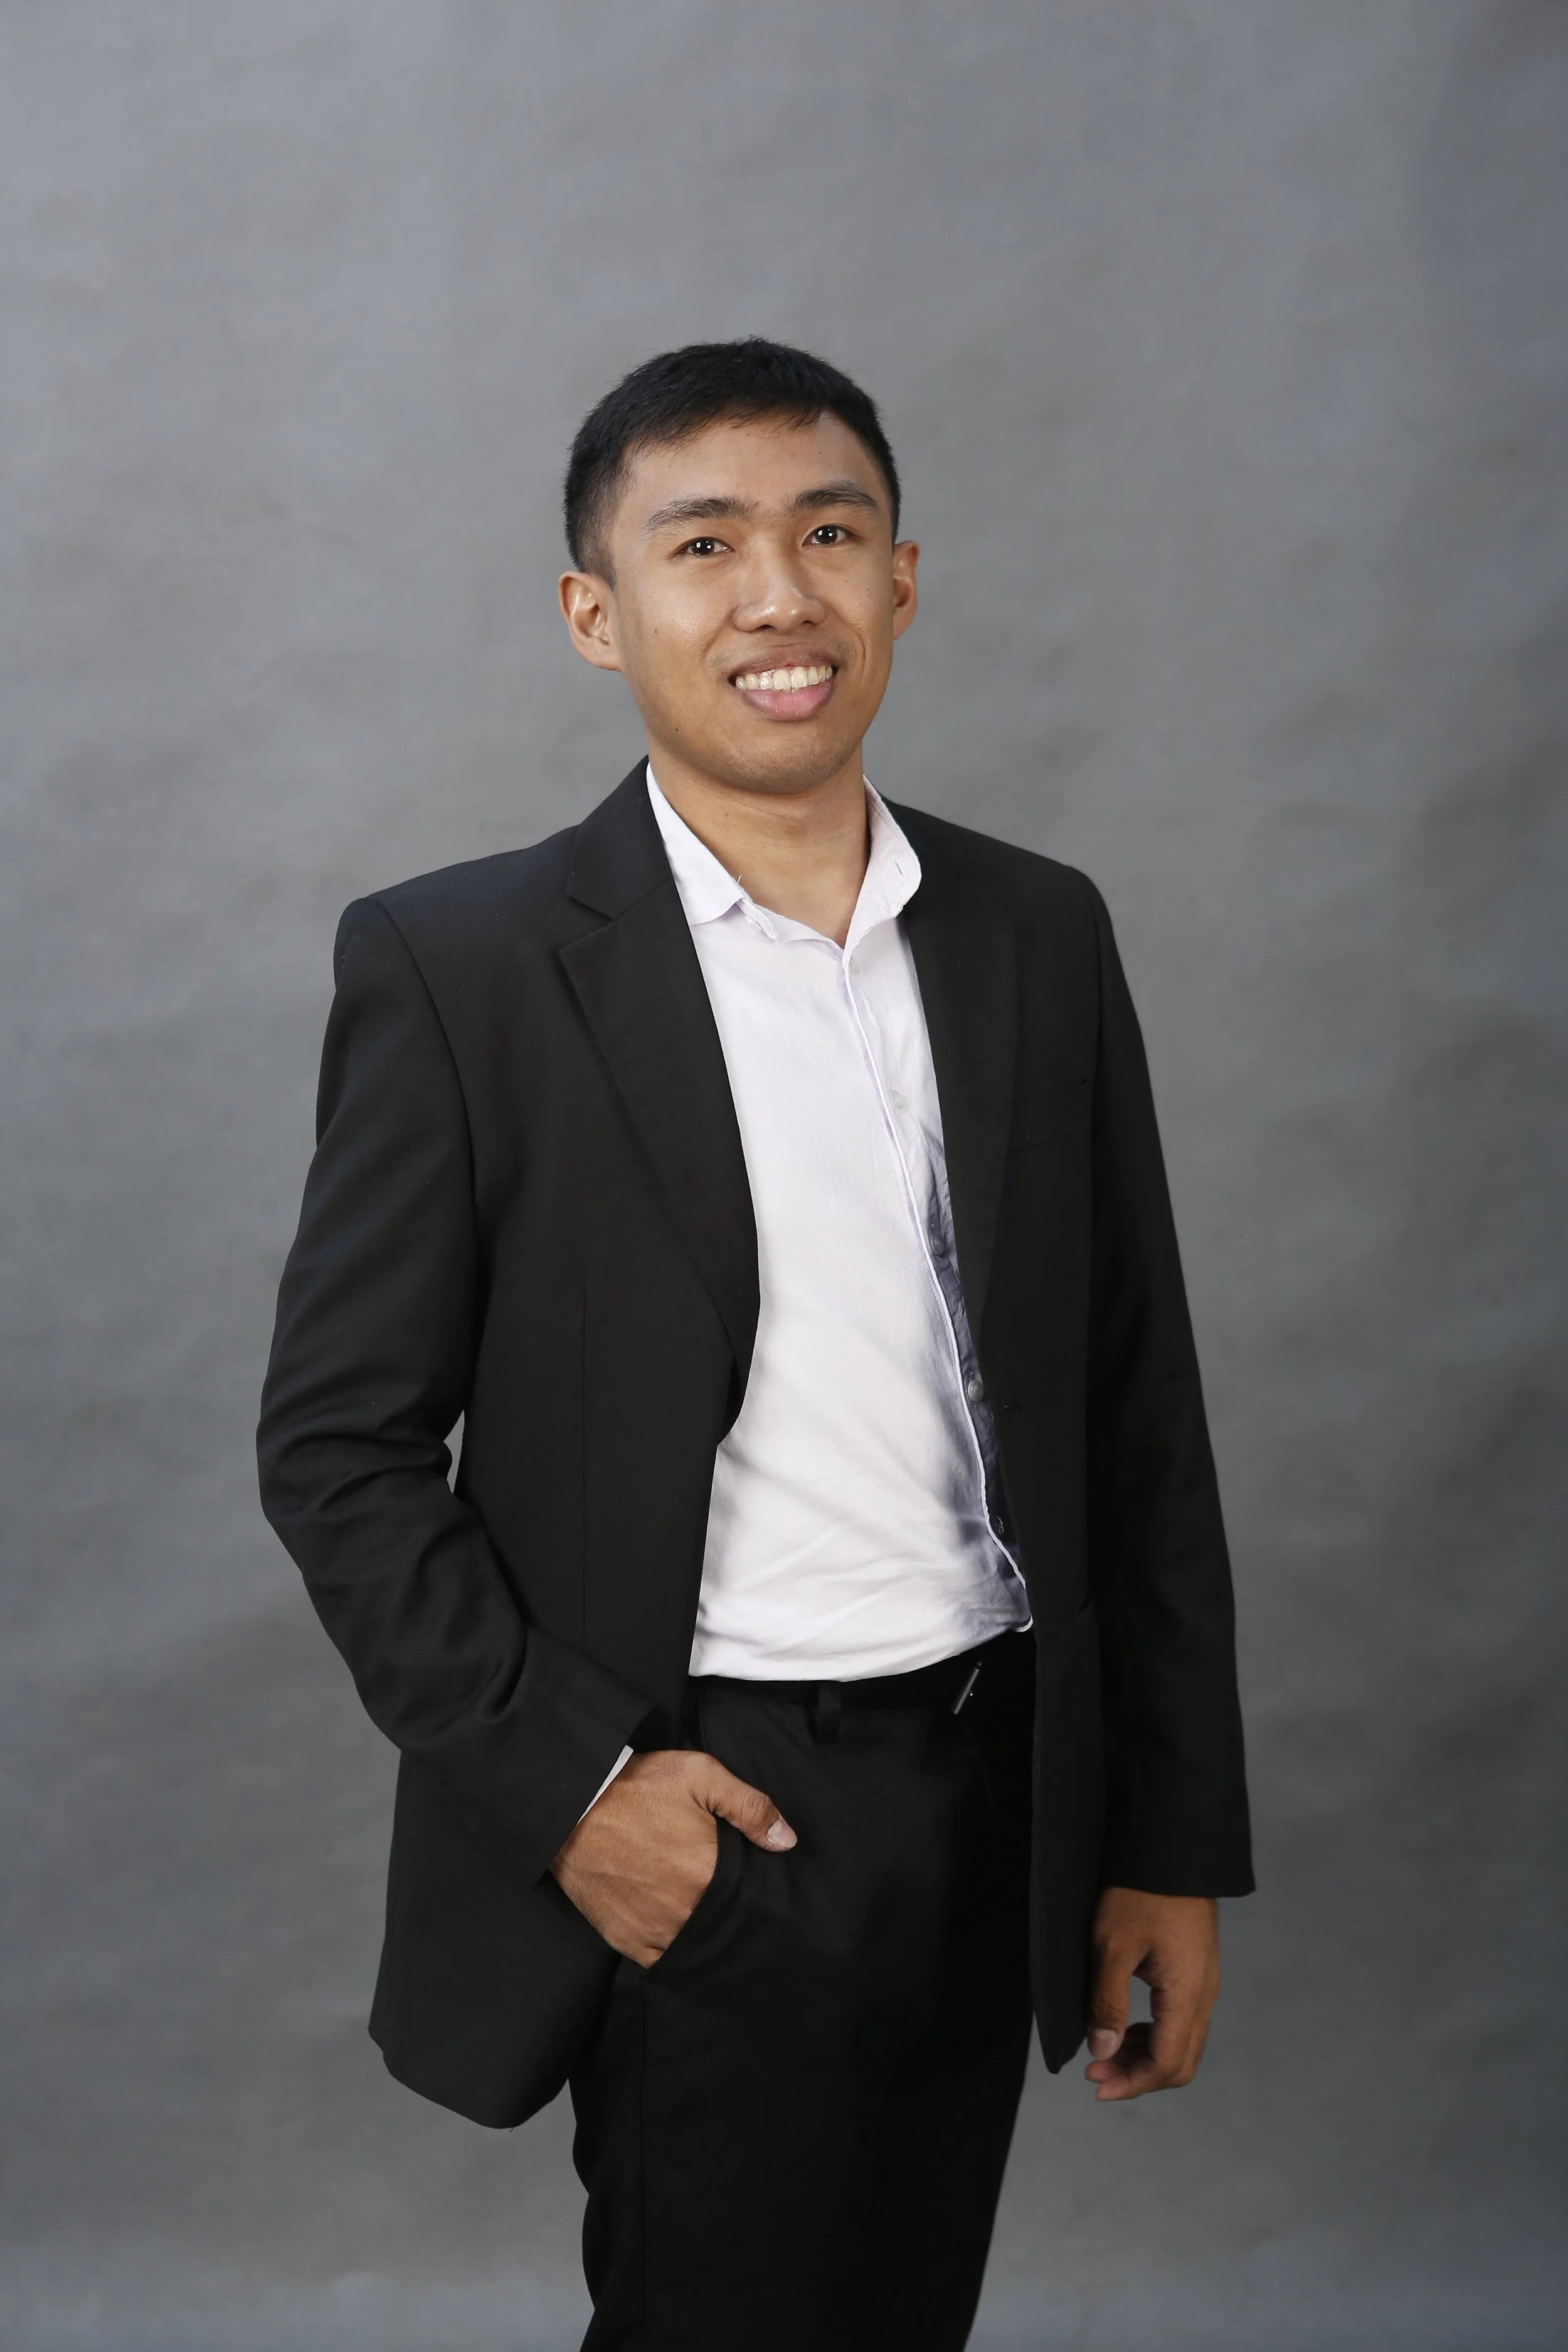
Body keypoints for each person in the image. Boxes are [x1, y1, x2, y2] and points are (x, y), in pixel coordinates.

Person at [257, 337, 1253, 2351]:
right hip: (716, 1798)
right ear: (595, 612)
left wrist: (1161, 1836)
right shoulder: (465, 967)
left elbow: (1132, 1404)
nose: (777, 595)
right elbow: (338, 1449)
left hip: (996, 1781)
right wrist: (578, 1788)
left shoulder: (1034, 931)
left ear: (902, 577)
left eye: (828, 533)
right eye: (701, 544)